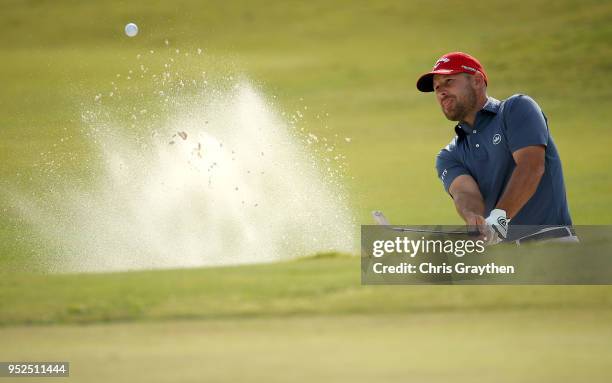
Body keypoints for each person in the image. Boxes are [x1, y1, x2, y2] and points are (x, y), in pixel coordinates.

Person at [416, 52, 576, 244]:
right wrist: (474, 218)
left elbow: (531, 166)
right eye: (437, 87)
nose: (441, 91)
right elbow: (465, 192)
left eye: (449, 81)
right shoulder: (449, 155)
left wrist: (499, 217)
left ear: (476, 80)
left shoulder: (516, 109)